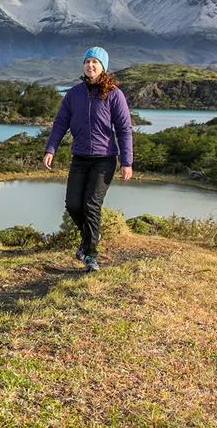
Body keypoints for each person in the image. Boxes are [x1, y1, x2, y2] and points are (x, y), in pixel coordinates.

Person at [41, 46, 133, 272]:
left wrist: (127, 161)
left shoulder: (114, 95)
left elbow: (124, 128)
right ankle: (90, 236)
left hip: (105, 159)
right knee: (73, 205)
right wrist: (51, 148)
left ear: (103, 67)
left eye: (95, 62)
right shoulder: (73, 94)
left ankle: (91, 255)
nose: (90, 65)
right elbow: (60, 123)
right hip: (80, 157)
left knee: (91, 205)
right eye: (87, 61)